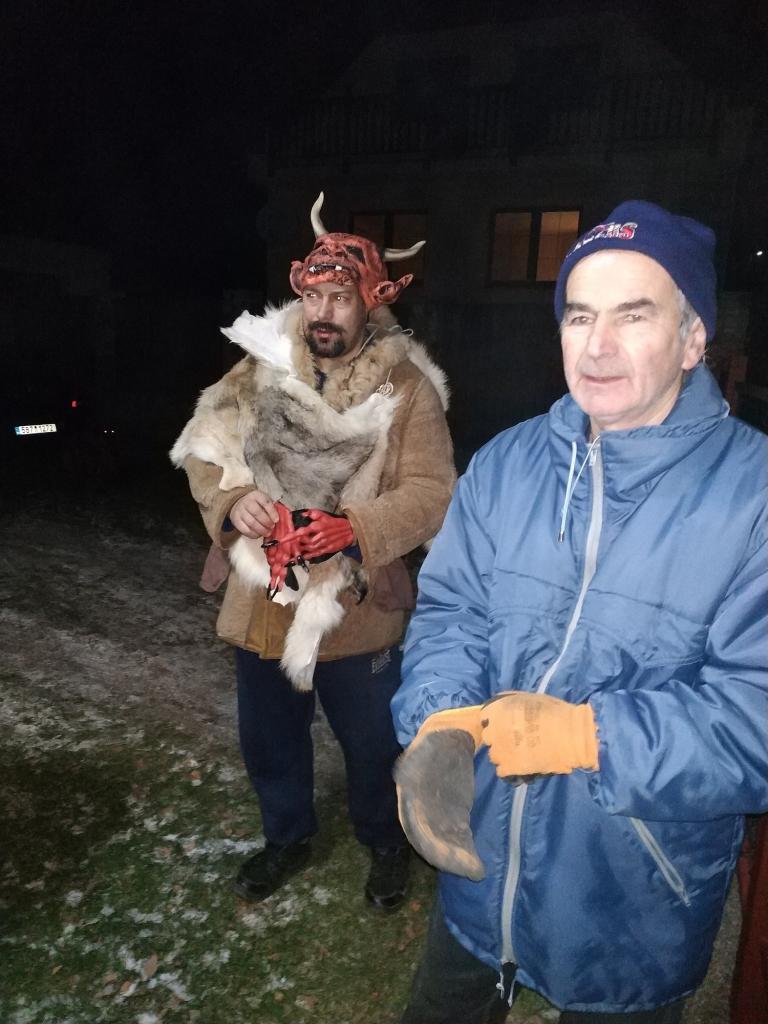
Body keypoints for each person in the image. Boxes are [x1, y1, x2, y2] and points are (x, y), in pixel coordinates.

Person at [391, 200, 768, 1020]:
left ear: (693, 339)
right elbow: (451, 613)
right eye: (579, 315)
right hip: (481, 869)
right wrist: (442, 719)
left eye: (634, 315)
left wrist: (590, 737)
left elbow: (757, 718)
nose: (597, 346)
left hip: (633, 897)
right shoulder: (506, 463)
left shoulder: (756, 497)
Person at [171, 193, 454, 912]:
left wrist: (354, 526)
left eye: (342, 298)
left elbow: (432, 491)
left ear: (371, 303)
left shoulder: (407, 388)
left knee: (373, 742)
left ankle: (386, 842)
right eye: (315, 296)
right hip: (262, 598)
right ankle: (287, 836)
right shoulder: (259, 368)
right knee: (269, 740)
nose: (324, 312)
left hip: (355, 604)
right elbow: (204, 449)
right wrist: (234, 503)